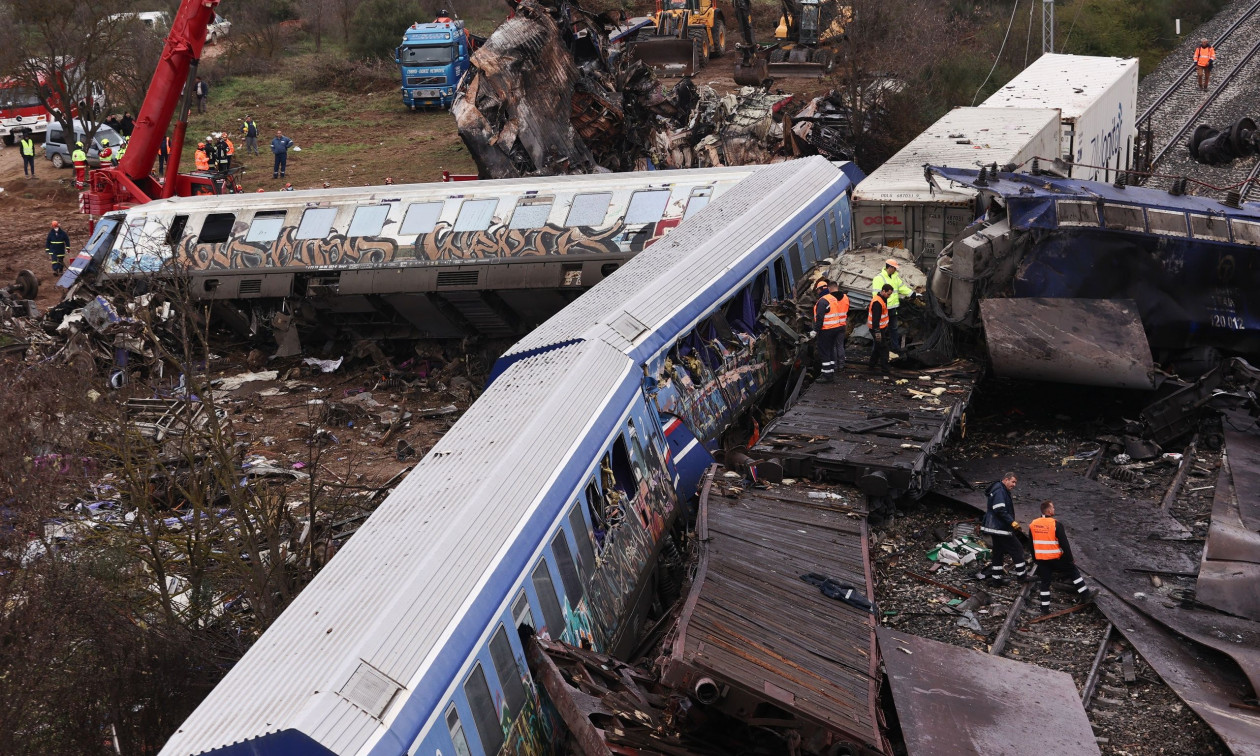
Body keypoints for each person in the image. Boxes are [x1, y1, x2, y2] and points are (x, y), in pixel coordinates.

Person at [1029, 500, 1097, 614]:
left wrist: (1036, 559)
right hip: (1055, 558)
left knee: (1045, 582)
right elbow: (1064, 544)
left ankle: (1044, 609)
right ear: (1049, 510)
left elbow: (1032, 544)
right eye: (1053, 508)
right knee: (1073, 571)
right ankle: (1085, 594)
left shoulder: (1033, 524)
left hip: (1041, 559)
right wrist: (1070, 559)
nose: (1054, 510)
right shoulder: (1056, 524)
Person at [976, 472, 1031, 585]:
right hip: (1001, 528)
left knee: (998, 552)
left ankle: (996, 579)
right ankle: (1022, 577)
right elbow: (999, 509)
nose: (1014, 485)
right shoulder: (1000, 491)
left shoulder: (999, 489)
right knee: (1018, 549)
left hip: (996, 528)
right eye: (1013, 481)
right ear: (1006, 480)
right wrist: (1012, 522)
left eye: (1015, 482)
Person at [871, 258, 915, 352]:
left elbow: (902, 288)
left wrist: (911, 293)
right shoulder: (879, 278)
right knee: (880, 331)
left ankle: (895, 348)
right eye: (894, 268)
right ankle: (877, 351)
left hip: (893, 308)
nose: (896, 270)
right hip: (883, 310)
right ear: (890, 267)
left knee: (894, 329)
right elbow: (876, 296)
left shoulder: (895, 277)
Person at [812, 278, 848, 383]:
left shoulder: (822, 301)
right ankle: (830, 373)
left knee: (824, 352)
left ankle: (827, 376)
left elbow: (820, 317)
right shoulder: (832, 298)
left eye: (817, 290)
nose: (817, 292)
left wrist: (815, 331)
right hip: (836, 328)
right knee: (832, 351)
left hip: (826, 330)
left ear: (821, 289)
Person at [867, 283, 893, 375]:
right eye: (888, 294)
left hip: (880, 328)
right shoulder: (878, 303)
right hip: (876, 329)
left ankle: (871, 365)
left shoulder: (882, 299)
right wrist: (877, 332)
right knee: (884, 348)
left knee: (878, 347)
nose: (889, 296)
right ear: (883, 291)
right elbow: (875, 319)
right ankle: (885, 369)